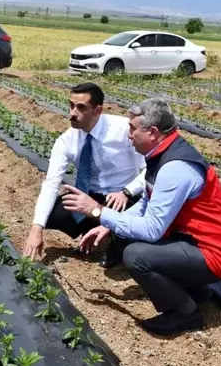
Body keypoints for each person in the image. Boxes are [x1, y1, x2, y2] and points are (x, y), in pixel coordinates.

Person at [63, 98, 221, 336]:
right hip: (190, 241)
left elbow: (152, 230)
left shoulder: (175, 167)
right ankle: (196, 290)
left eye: (133, 129)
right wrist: (107, 225)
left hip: (214, 252)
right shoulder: (162, 154)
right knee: (124, 235)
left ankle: (186, 314)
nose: (128, 135)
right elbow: (146, 203)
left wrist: (97, 211)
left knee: (136, 255)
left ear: (153, 132)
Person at [23, 83, 146, 268]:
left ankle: (118, 245)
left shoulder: (122, 130)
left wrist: (127, 192)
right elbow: (51, 183)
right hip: (92, 195)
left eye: (81, 107)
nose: (73, 112)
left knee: (129, 221)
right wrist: (36, 228)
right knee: (52, 215)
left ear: (97, 110)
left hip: (123, 196)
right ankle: (91, 227)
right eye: (71, 105)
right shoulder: (67, 140)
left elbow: (150, 169)